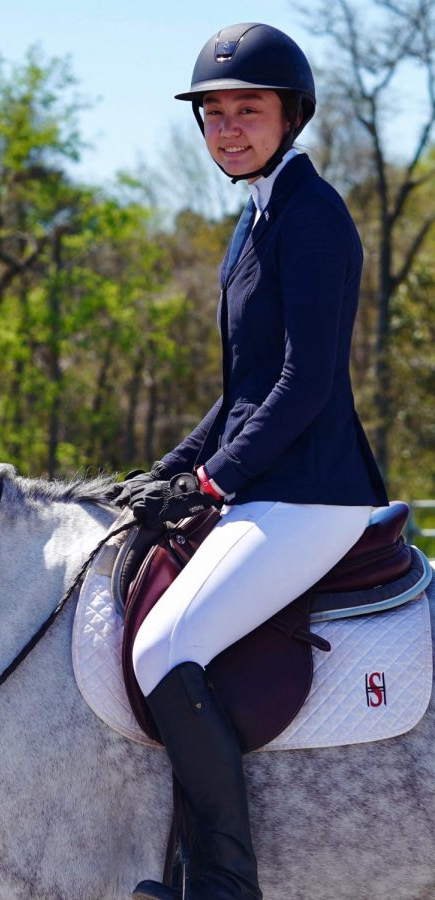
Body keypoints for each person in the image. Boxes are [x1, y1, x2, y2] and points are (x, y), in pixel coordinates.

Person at [114, 22, 389, 900]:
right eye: (215, 114)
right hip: (267, 491)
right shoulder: (252, 220)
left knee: (163, 648)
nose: (228, 128)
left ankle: (225, 883)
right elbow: (240, 391)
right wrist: (169, 469)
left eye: (248, 110)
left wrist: (212, 481)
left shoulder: (312, 217)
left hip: (313, 496)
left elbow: (305, 383)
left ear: (289, 115)